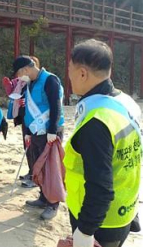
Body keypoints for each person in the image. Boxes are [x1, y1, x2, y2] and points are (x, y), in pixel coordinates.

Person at [64, 39, 141, 247]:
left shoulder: (96, 122)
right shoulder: (125, 101)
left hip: (100, 223)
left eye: (70, 71)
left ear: (82, 73)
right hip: (124, 211)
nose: (68, 77)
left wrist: (85, 231)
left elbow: (101, 188)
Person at [13, 55, 64, 220]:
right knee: (37, 166)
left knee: (50, 169)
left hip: (48, 132)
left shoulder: (50, 80)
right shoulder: (30, 83)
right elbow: (28, 108)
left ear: (26, 69)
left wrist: (52, 130)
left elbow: (56, 106)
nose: (19, 78)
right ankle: (43, 197)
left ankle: (53, 204)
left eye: (19, 74)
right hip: (35, 131)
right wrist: (27, 129)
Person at [4, 56, 40, 186]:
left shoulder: (39, 82)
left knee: (34, 147)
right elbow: (13, 93)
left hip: (37, 120)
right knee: (27, 145)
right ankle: (31, 171)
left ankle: (35, 176)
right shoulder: (22, 83)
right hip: (25, 116)